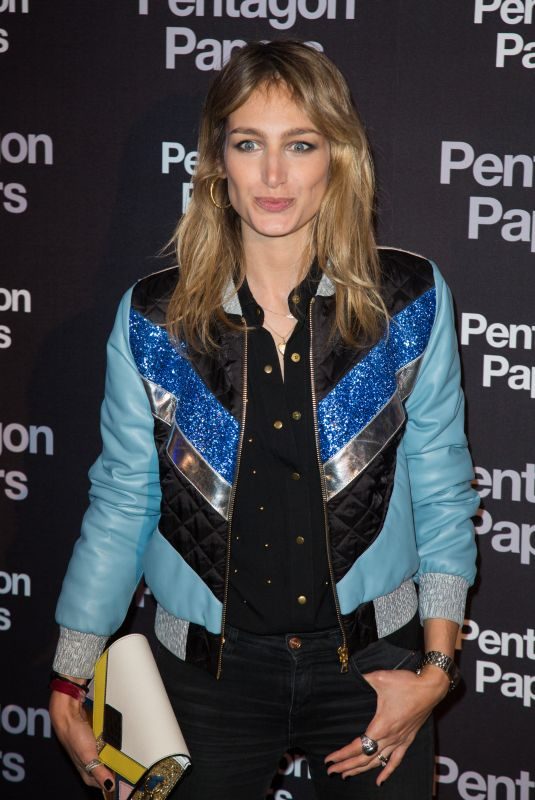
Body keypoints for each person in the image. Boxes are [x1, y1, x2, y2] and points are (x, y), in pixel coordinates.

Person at [49, 40, 479, 800]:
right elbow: (123, 499)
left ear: (336, 157)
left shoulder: (406, 300)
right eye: (249, 143)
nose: (274, 175)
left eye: (300, 144)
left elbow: (441, 483)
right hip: (203, 682)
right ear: (218, 161)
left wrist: (434, 672)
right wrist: (70, 677)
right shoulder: (155, 318)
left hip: (372, 669)